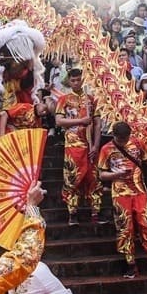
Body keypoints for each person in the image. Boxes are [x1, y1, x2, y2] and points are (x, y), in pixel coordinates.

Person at [97, 122, 147, 278]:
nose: (123, 141)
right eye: (120, 139)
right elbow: (101, 175)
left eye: (125, 138)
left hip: (140, 190)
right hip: (120, 193)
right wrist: (116, 174)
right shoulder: (106, 149)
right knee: (124, 228)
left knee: (146, 225)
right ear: (114, 135)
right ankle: (130, 265)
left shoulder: (138, 143)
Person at [56, 68, 103, 226]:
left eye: (78, 79)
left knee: (93, 177)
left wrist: (96, 145)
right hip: (73, 144)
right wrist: (80, 121)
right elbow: (59, 121)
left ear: (83, 80)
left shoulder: (91, 99)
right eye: (73, 80)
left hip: (90, 145)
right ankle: (72, 213)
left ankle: (96, 212)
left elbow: (97, 125)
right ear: (69, 82)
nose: (76, 82)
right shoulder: (64, 99)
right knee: (72, 178)